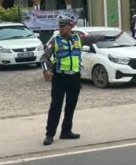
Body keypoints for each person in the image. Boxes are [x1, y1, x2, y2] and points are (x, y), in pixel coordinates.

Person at [41, 15, 121, 146]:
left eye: (63, 26)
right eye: (59, 26)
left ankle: (66, 131)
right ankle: (49, 134)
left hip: (75, 78)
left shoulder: (79, 39)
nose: (60, 29)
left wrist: (112, 37)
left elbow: (94, 38)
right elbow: (44, 57)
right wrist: (46, 70)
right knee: (56, 106)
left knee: (71, 106)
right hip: (60, 77)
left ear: (70, 27)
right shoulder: (55, 41)